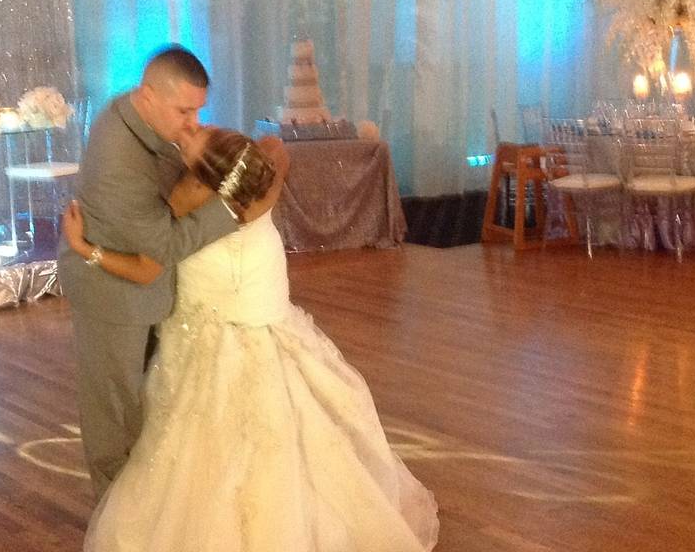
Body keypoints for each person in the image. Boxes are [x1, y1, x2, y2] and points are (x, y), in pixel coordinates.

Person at [62, 127, 439, 551]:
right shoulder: (263, 185)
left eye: (193, 139)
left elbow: (147, 269)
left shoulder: (186, 201)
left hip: (214, 334)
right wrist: (234, 160)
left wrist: (85, 248)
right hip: (268, 326)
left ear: (204, 176)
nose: (190, 131)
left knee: (209, 453)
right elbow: (275, 149)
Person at [57, 45, 284, 499]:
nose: (194, 123)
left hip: (155, 288)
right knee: (114, 419)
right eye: (185, 111)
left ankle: (153, 507)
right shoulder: (119, 163)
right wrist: (235, 208)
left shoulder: (146, 119)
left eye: (199, 111)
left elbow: (274, 152)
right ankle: (115, 523)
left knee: (155, 410)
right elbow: (164, 245)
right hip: (114, 299)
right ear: (147, 97)